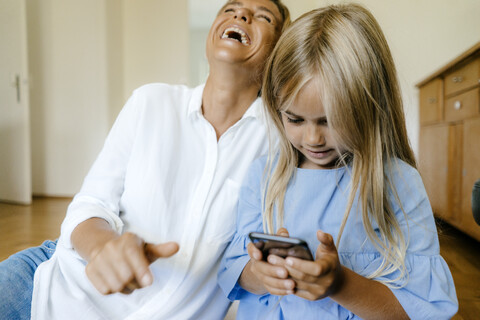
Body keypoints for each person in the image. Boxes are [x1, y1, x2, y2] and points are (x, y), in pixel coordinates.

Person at [0, 1, 291, 319]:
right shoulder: (152, 102)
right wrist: (103, 248)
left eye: (264, 17)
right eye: (229, 9)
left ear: (279, 51)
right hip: (46, 291)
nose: (241, 15)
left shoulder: (281, 140)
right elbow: (91, 204)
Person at [218, 4, 459, 319]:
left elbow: (420, 309)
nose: (313, 138)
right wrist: (260, 274)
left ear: (370, 106)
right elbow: (237, 272)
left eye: (330, 121)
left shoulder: (399, 183)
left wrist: (340, 284)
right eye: (294, 119)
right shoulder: (262, 176)